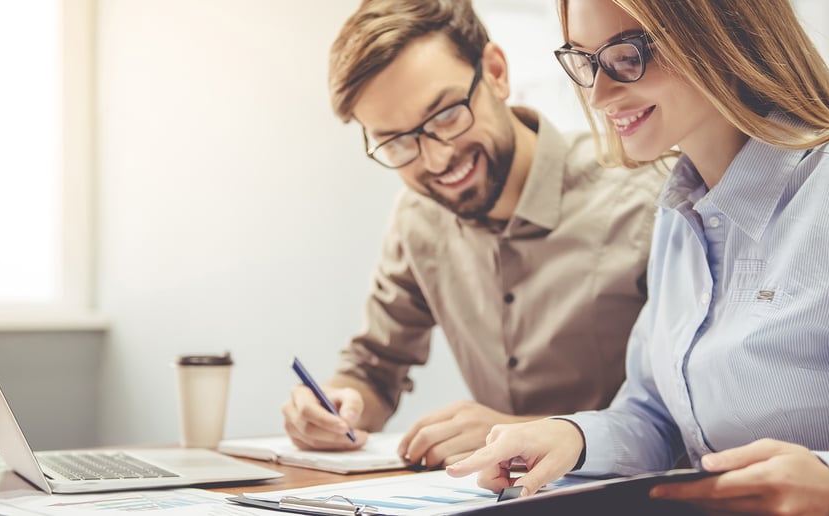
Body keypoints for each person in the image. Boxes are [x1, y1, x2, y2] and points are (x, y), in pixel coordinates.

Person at [446, 0, 829, 514]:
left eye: (628, 56)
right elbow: (657, 418)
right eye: (585, 61)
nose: (600, 95)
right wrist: (572, 437)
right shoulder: (680, 212)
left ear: (722, 35)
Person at [281, 0, 666, 468]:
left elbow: (676, 417)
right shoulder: (418, 219)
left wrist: (519, 432)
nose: (437, 159)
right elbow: (374, 368)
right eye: (399, 142)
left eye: (445, 115)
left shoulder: (645, 198)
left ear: (496, 72)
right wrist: (337, 403)